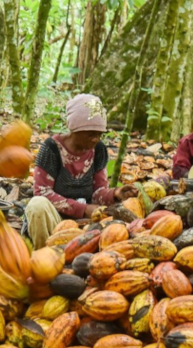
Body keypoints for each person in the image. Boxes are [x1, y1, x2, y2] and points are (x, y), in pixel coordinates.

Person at [24, 94, 138, 250]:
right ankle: (42, 256)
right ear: (74, 129)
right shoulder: (51, 148)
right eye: (90, 133)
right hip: (54, 221)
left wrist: (115, 194)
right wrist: (83, 209)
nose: (95, 139)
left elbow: (98, 192)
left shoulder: (98, 150)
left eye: (99, 134)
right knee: (37, 204)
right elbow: (42, 192)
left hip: (86, 226)